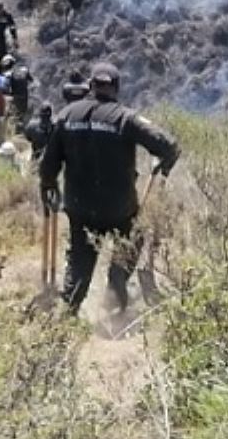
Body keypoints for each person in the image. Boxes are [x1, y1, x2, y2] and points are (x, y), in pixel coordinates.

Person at [40, 62, 179, 314]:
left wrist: (49, 187)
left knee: (80, 259)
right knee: (132, 241)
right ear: (116, 88)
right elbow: (168, 145)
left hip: (79, 207)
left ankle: (68, 310)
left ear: (90, 86)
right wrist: (164, 164)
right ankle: (115, 290)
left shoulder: (68, 116)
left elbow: (48, 164)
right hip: (119, 209)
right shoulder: (125, 118)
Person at [7, 57, 32, 123]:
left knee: (15, 107)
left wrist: (11, 93)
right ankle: (21, 121)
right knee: (23, 109)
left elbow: (11, 84)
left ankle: (12, 121)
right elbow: (31, 80)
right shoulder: (25, 70)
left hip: (15, 94)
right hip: (23, 93)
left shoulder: (13, 71)